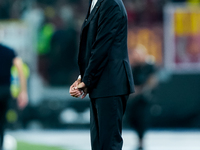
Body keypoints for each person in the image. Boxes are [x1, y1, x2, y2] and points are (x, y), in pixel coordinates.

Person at [69, 0, 134, 149]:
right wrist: (82, 78)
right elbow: (94, 45)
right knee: (99, 145)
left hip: (111, 82)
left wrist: (86, 80)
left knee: (109, 144)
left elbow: (102, 46)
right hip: (101, 83)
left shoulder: (110, 3)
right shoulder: (98, 2)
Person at [127, 45, 158, 150]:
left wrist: (139, 90)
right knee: (132, 119)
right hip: (133, 99)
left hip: (144, 98)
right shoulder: (133, 67)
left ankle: (141, 141)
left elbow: (152, 81)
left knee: (142, 119)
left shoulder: (149, 66)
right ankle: (138, 139)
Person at [0, 43, 28, 150]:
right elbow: (20, 69)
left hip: (4, 91)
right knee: (1, 122)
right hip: (5, 91)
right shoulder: (8, 51)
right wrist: (23, 91)